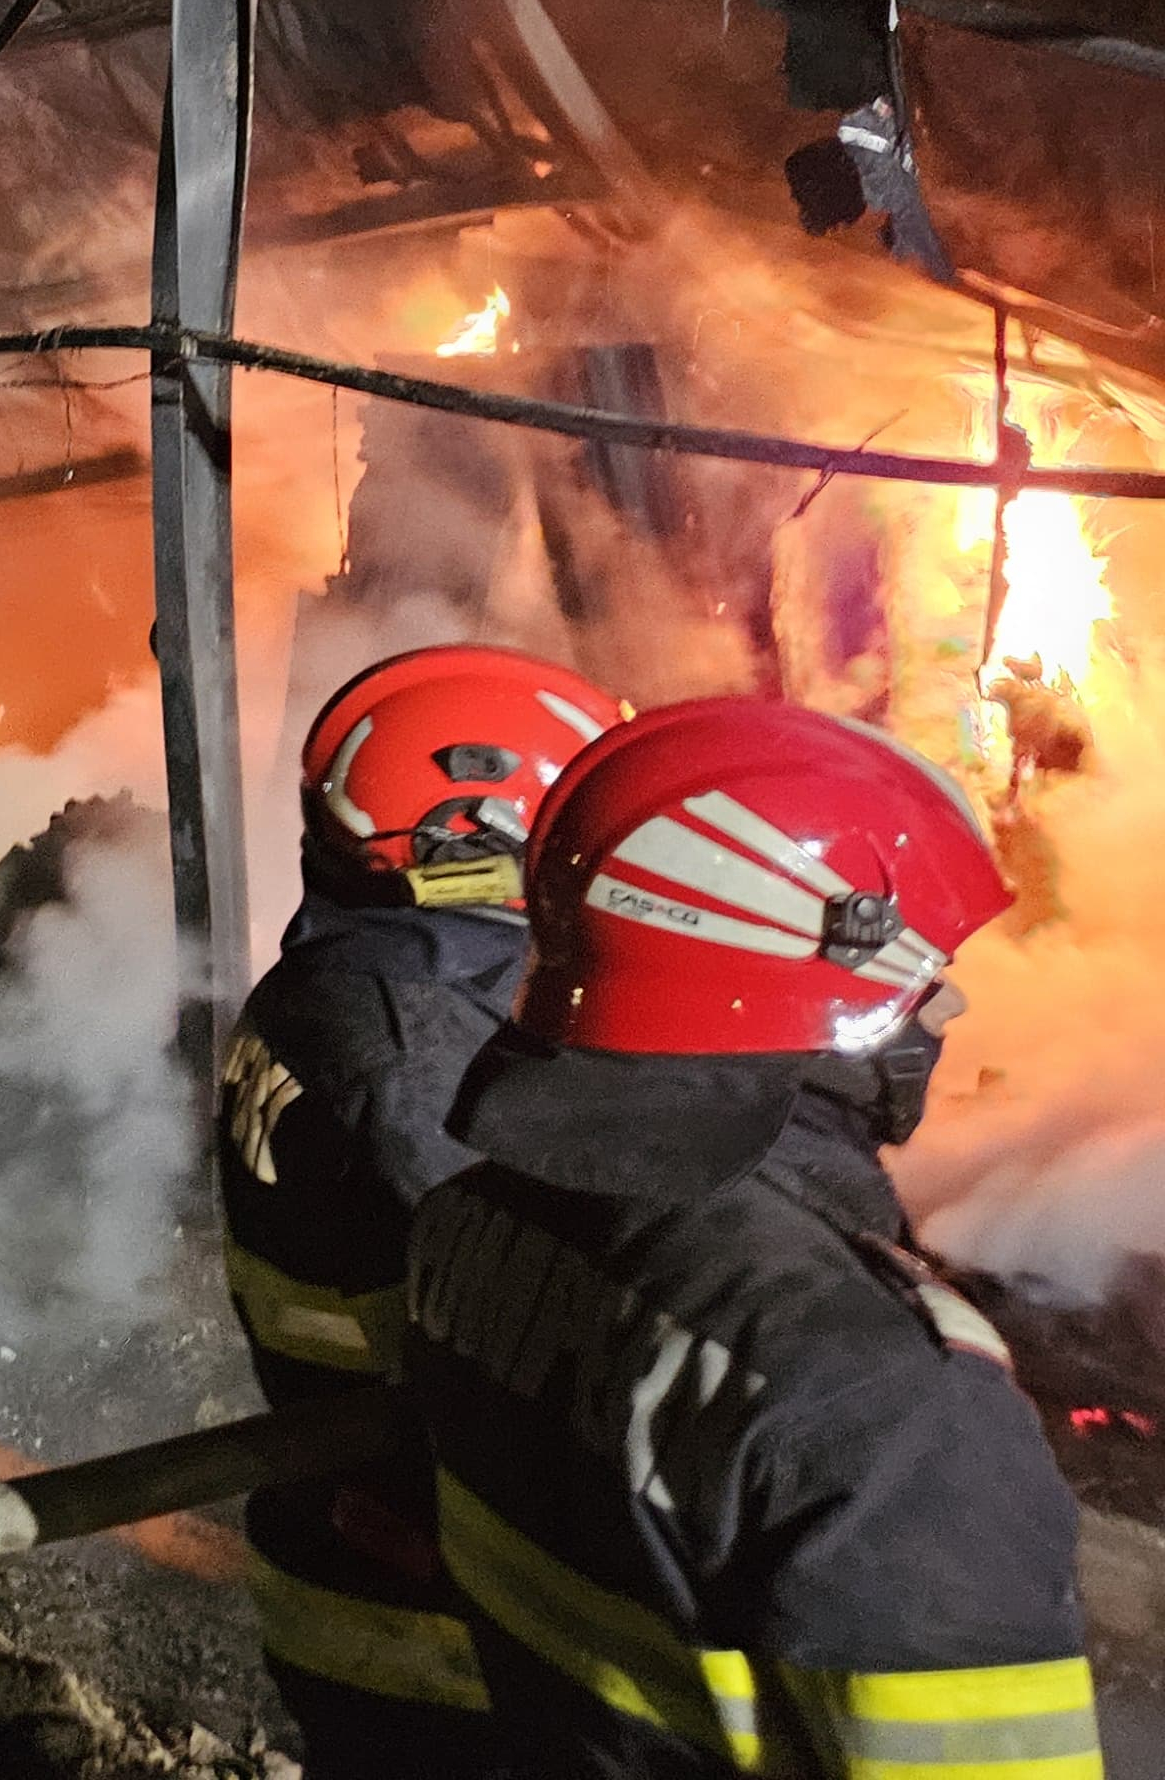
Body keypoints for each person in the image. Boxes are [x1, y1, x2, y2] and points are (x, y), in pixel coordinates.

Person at [405, 698, 1099, 1780]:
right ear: (801, 966)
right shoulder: (891, 1406)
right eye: (919, 980)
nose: (947, 1009)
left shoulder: (470, 1213)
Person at [216, 642, 627, 1776]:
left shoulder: (342, 984)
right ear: (465, 849)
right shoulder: (416, 1071)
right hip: (427, 1620)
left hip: (355, 1550)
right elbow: (520, 1341)